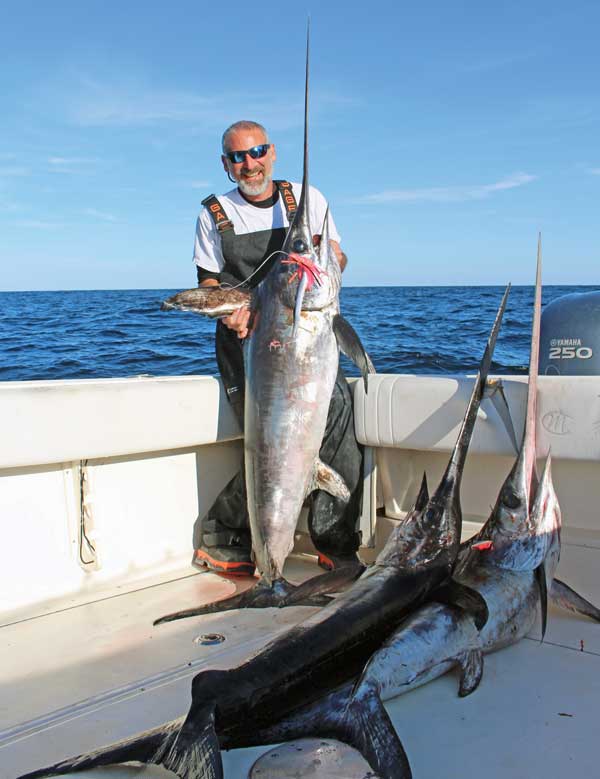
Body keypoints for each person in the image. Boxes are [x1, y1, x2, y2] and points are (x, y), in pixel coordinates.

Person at [192, 119, 363, 576]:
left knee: (340, 412)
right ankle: (228, 535)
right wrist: (232, 310)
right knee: (265, 440)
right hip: (248, 342)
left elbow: (338, 254)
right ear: (226, 164)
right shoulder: (214, 213)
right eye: (238, 157)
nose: (250, 163)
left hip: (307, 333)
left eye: (258, 151)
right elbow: (208, 281)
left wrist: (325, 262)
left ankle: (336, 540)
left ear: (272, 153)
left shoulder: (309, 200)